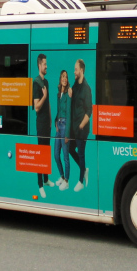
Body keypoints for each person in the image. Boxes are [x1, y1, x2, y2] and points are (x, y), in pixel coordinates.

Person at [68, 58, 92, 192]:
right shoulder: (75, 86)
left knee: (81, 153)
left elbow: (89, 110)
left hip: (82, 128)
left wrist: (82, 125)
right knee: (70, 149)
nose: (74, 72)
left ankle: (81, 181)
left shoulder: (86, 89)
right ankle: (84, 169)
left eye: (76, 69)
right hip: (74, 128)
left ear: (81, 70)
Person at [32, 54, 51, 197]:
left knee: (46, 152)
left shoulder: (47, 82)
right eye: (44, 64)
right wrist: (44, 96)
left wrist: (51, 119)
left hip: (47, 123)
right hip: (40, 124)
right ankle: (40, 185)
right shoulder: (36, 83)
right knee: (40, 154)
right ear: (39, 65)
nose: (46, 66)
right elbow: (37, 107)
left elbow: (48, 103)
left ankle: (46, 180)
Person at [53, 69, 71, 190]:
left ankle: (67, 180)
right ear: (60, 79)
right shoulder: (59, 94)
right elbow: (58, 110)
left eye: (66, 77)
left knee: (65, 156)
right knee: (55, 154)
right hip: (58, 125)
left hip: (65, 125)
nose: (64, 79)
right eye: (63, 77)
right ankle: (61, 175)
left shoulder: (69, 94)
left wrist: (67, 133)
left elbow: (69, 113)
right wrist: (55, 122)